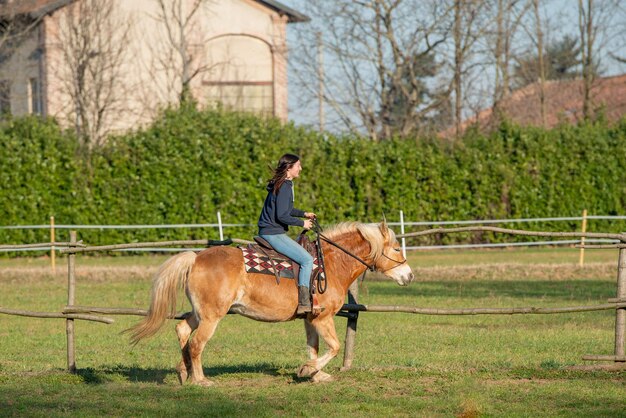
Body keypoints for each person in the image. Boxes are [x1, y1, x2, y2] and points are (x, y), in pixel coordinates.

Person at [258, 153, 316, 314]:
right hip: (273, 233)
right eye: (298, 165)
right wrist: (302, 223)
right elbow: (282, 215)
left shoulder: (282, 183)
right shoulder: (285, 186)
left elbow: (286, 209)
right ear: (289, 168)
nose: (301, 168)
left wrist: (303, 213)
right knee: (306, 260)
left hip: (269, 231)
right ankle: (304, 302)